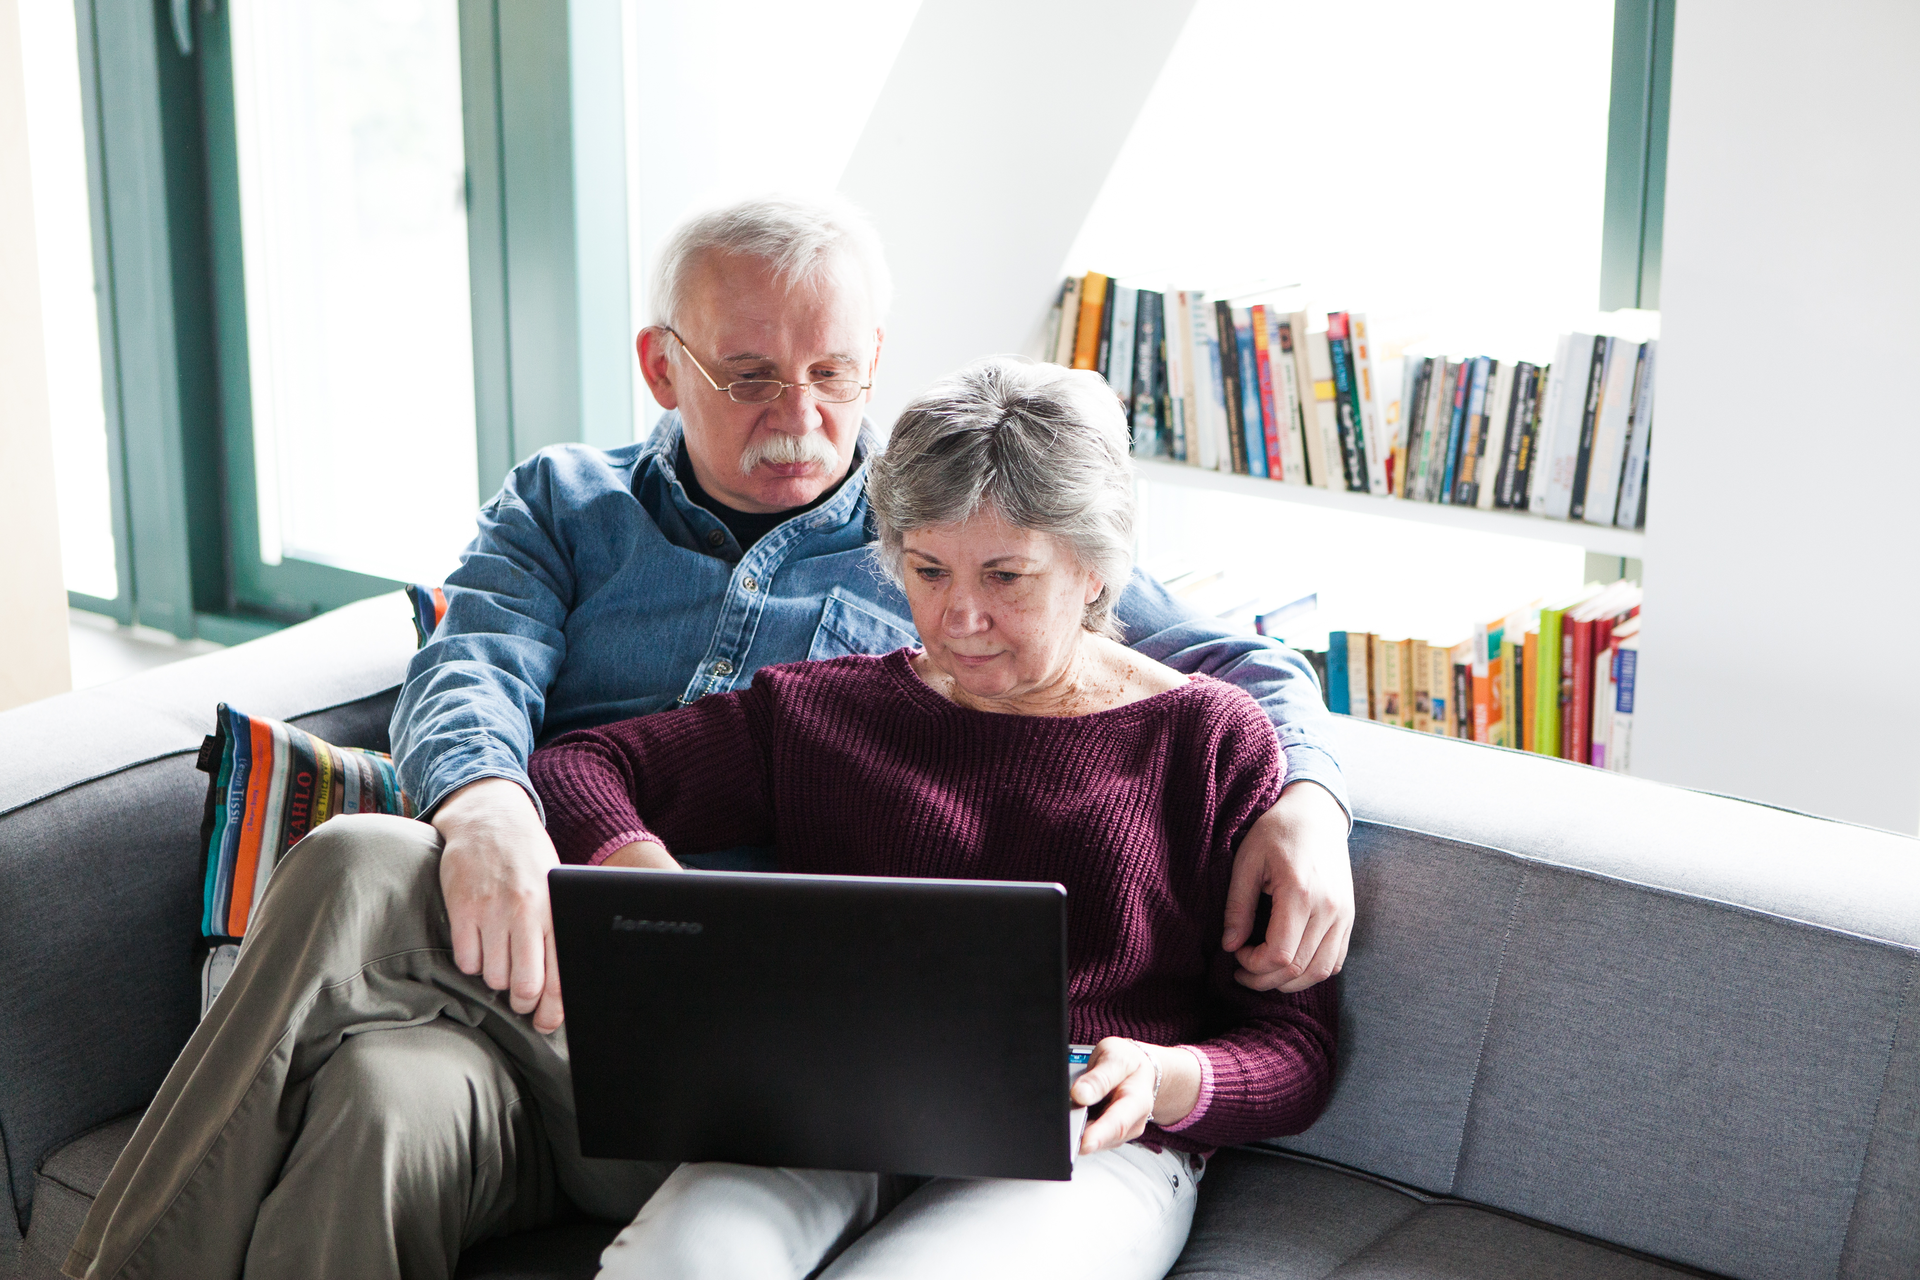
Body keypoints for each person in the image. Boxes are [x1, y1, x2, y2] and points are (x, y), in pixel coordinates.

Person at [65, 196, 1348, 1280]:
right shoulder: (580, 513)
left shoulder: (963, 517)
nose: (800, 412)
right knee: (376, 1087)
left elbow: (1216, 666)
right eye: (749, 375)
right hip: (535, 963)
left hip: (750, 1058)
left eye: (836, 371)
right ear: (662, 365)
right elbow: (473, 665)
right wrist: (493, 805)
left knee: (357, 911)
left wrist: (1309, 800)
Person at [529, 356, 1337, 1279]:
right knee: (671, 1268)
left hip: (1094, 1149)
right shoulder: (819, 712)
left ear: (1094, 569)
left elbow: (1294, 1049)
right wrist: (645, 877)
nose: (960, 616)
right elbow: (579, 767)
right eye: (926, 569)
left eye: (1006, 576)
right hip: (832, 1105)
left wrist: (1160, 1080)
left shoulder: (1205, 739)